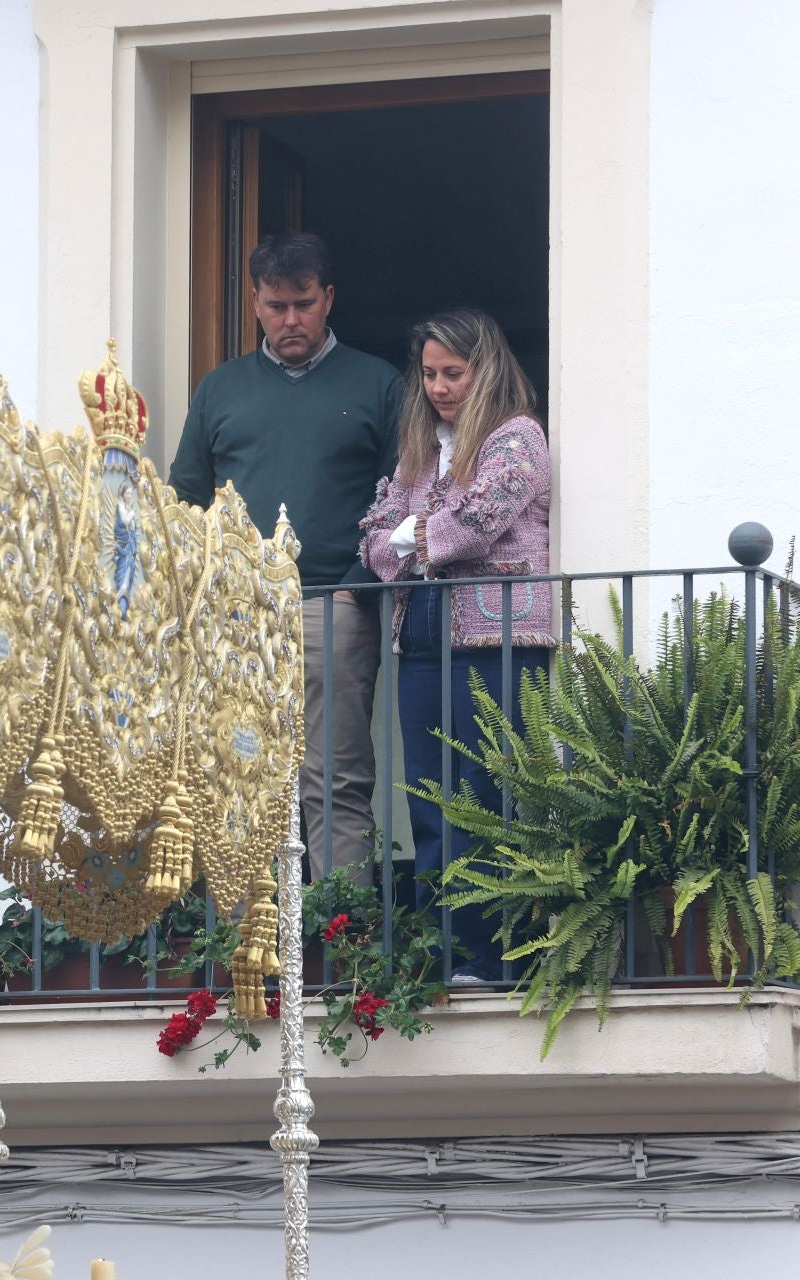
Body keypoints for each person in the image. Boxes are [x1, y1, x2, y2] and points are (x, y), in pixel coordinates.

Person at [170, 231, 402, 881]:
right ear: (254, 304)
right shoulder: (220, 389)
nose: (290, 320)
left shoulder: (378, 383)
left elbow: (404, 494)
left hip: (333, 601)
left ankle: (343, 931)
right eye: (276, 306)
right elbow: (185, 499)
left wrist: (358, 585)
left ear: (328, 298)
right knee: (239, 779)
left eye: (303, 304)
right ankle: (245, 931)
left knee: (335, 777)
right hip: (234, 610)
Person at [358, 307, 555, 984]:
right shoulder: (420, 448)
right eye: (429, 373)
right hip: (420, 630)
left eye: (453, 373)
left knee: (484, 789)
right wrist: (410, 538)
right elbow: (373, 537)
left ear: (485, 369)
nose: (438, 387)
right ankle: (440, 950)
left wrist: (413, 537)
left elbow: (480, 519)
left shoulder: (517, 436)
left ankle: (490, 955)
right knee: (429, 794)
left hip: (496, 632)